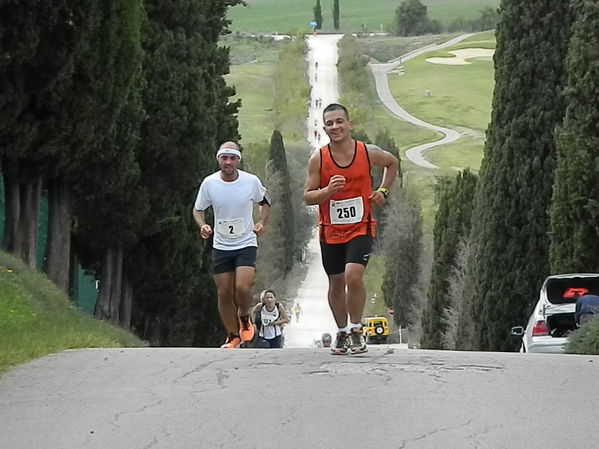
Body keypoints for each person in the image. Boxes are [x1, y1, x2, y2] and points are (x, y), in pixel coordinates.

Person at [304, 103, 399, 355]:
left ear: (349, 124)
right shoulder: (319, 159)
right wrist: (327, 192)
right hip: (331, 231)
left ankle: (357, 329)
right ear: (324, 128)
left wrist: (383, 191)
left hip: (361, 226)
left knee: (353, 277)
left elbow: (392, 163)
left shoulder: (366, 153)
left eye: (339, 122)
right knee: (335, 283)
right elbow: (308, 196)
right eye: (330, 123)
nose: (335, 127)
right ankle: (342, 332)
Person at [193, 141, 271, 349]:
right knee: (224, 292)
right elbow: (198, 209)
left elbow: (265, 203)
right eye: (224, 158)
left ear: (238, 160)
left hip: (246, 241)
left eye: (232, 158)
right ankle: (232, 335)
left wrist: (262, 222)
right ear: (218, 159)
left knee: (242, 287)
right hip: (221, 244)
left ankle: (244, 317)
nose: (228, 162)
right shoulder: (209, 183)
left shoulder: (250, 181)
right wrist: (203, 225)